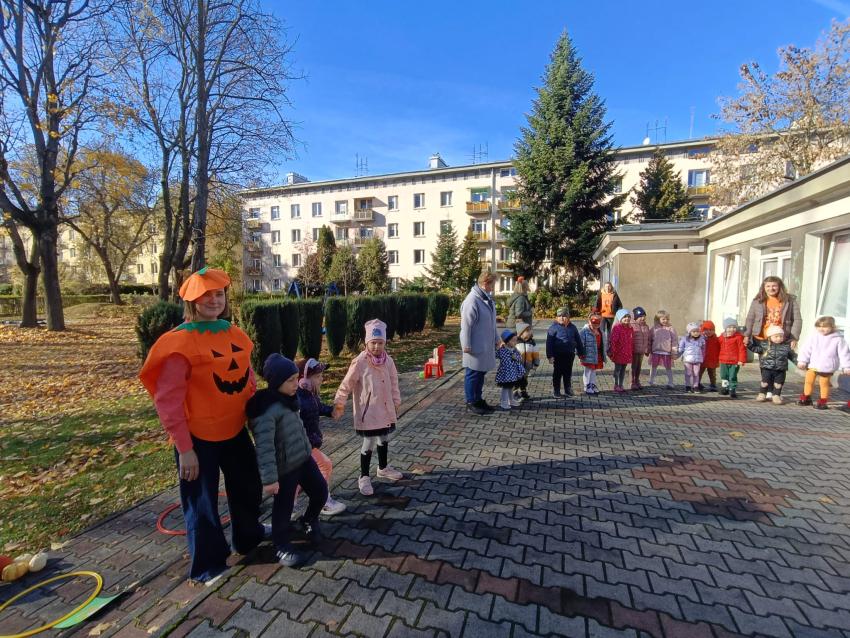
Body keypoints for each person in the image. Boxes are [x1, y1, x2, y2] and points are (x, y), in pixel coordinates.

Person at [139, 267, 267, 584]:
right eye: (206, 295)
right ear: (192, 301)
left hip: (235, 430)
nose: (214, 300)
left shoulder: (234, 334)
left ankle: (248, 537)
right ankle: (208, 565)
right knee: (202, 502)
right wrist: (185, 449)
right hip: (198, 438)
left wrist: (256, 414)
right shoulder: (178, 344)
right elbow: (168, 400)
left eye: (219, 294)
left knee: (248, 485)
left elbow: (246, 377)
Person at [246, 354, 328, 568]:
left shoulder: (290, 399)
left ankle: (309, 519)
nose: (296, 384)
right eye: (290, 380)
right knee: (283, 509)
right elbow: (264, 448)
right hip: (285, 469)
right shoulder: (265, 411)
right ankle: (281, 545)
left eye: (296, 378)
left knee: (320, 491)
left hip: (304, 459)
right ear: (276, 382)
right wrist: (270, 479)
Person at [333, 319, 402, 496]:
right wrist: (339, 402)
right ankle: (364, 476)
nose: (377, 347)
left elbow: (394, 382)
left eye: (380, 343)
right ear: (366, 343)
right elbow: (346, 384)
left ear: (385, 343)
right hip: (368, 411)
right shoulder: (360, 362)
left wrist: (396, 401)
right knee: (369, 441)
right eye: (373, 343)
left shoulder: (388, 361)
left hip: (385, 409)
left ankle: (383, 468)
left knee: (384, 437)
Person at [296, 358, 346, 516]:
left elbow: (318, 407)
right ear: (303, 381)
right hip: (303, 445)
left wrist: (331, 411)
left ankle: (287, 506)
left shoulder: (310, 395)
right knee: (325, 465)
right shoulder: (298, 400)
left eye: (321, 375)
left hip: (309, 443)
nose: (321, 379)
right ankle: (324, 501)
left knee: (298, 478)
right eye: (317, 376)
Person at [460, 271, 500, 415]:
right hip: (474, 345)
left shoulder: (486, 299)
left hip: (485, 345)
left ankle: (478, 399)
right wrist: (466, 345)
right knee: (473, 373)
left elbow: (492, 324)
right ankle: (471, 401)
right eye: (492, 284)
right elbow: (466, 326)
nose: (493, 287)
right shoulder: (472, 300)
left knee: (481, 373)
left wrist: (497, 339)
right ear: (485, 284)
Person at [796, 316, 850, 410]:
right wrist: (802, 360)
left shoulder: (838, 339)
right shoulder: (814, 337)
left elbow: (844, 354)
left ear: (832, 327)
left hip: (827, 366)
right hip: (813, 364)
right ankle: (806, 397)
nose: (821, 329)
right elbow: (806, 349)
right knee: (808, 381)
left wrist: (846, 367)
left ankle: (823, 401)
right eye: (819, 326)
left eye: (825, 326)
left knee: (824, 384)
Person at [744, 276, 802, 350]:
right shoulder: (757, 301)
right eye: (768, 286)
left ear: (780, 287)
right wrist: (747, 335)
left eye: (774, 286)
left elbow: (797, 320)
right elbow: (750, 319)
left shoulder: (789, 300)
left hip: (782, 338)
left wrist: (794, 338)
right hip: (762, 338)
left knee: (782, 357)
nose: (771, 288)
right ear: (764, 287)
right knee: (764, 357)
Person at [747, 326, 797, 405]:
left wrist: (799, 362)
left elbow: (793, 356)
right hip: (767, 369)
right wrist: (748, 344)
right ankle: (762, 394)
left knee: (778, 384)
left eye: (781, 336)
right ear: (770, 337)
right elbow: (755, 349)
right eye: (776, 336)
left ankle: (776, 396)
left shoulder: (786, 347)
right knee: (765, 382)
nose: (779, 338)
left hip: (780, 370)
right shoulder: (764, 345)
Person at [546, 307, 585, 398]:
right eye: (559, 316)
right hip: (558, 354)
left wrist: (581, 353)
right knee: (557, 373)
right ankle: (556, 390)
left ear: (568, 317)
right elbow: (549, 343)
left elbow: (578, 341)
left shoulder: (573, 328)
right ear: (556, 317)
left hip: (570, 354)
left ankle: (567, 389)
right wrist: (550, 356)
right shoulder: (553, 328)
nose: (561, 318)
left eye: (564, 316)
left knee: (568, 373)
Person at [495, 329, 527, 409]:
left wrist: (515, 357)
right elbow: (495, 355)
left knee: (510, 387)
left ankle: (511, 400)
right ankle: (503, 402)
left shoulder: (515, 350)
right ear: (507, 342)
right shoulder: (502, 350)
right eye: (513, 341)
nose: (515, 342)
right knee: (506, 387)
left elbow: (520, 358)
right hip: (506, 373)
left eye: (516, 340)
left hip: (513, 372)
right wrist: (496, 347)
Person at [717, 318, 747, 399]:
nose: (732, 329)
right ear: (725, 328)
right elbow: (716, 346)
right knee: (724, 375)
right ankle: (725, 388)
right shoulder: (722, 337)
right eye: (729, 327)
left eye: (734, 327)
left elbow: (742, 349)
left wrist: (741, 360)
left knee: (732, 375)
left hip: (734, 361)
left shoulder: (738, 337)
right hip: (723, 360)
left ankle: (732, 389)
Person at [649, 310, 678, 388]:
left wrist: (674, 351)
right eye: (663, 319)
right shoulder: (654, 328)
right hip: (655, 351)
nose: (666, 321)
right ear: (658, 319)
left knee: (668, 367)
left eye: (667, 319)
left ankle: (670, 382)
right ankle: (651, 381)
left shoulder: (671, 329)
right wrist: (649, 349)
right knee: (653, 366)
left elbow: (674, 341)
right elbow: (649, 339)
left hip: (666, 353)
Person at [608, 309, 633, 393]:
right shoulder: (617, 327)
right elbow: (613, 341)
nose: (627, 318)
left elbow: (631, 341)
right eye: (624, 317)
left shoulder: (630, 328)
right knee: (617, 369)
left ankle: (621, 384)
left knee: (623, 370)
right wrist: (613, 351)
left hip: (626, 353)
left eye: (628, 317)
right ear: (620, 318)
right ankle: (616, 384)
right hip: (618, 353)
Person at [579, 312, 605, 395]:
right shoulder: (584, 331)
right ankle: (587, 386)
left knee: (593, 370)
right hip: (587, 354)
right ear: (589, 321)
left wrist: (604, 352)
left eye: (598, 323)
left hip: (596, 354)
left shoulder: (600, 331)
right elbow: (580, 343)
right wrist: (581, 353)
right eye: (594, 323)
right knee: (588, 370)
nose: (595, 325)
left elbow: (603, 343)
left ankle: (592, 384)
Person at [514, 321, 540, 402]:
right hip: (517, 366)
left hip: (527, 366)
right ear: (521, 333)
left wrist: (536, 363)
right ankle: (515, 393)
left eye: (530, 330)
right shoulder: (515, 342)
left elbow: (536, 354)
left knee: (524, 380)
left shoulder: (532, 342)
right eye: (527, 331)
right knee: (517, 380)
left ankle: (523, 391)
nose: (530, 332)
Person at [678, 322, 706, 393]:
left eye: (697, 331)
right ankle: (688, 386)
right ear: (689, 332)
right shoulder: (685, 339)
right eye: (694, 332)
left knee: (696, 373)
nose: (696, 333)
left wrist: (702, 356)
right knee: (688, 373)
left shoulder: (701, 340)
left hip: (697, 360)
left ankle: (695, 386)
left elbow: (703, 349)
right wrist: (677, 355)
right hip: (688, 360)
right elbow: (681, 348)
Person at [630, 307, 651, 390]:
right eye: (640, 316)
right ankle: (632, 382)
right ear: (635, 317)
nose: (643, 318)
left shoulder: (646, 326)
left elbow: (648, 339)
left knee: (639, 367)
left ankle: (637, 380)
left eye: (644, 316)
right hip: (634, 350)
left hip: (642, 350)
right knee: (633, 366)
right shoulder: (632, 326)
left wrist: (647, 349)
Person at [699, 321, 720, 392]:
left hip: (712, 359)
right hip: (702, 359)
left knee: (712, 373)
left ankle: (713, 384)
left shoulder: (716, 339)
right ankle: (697, 383)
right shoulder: (700, 339)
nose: (709, 332)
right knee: (699, 372)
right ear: (702, 330)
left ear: (714, 331)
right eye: (706, 330)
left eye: (711, 330)